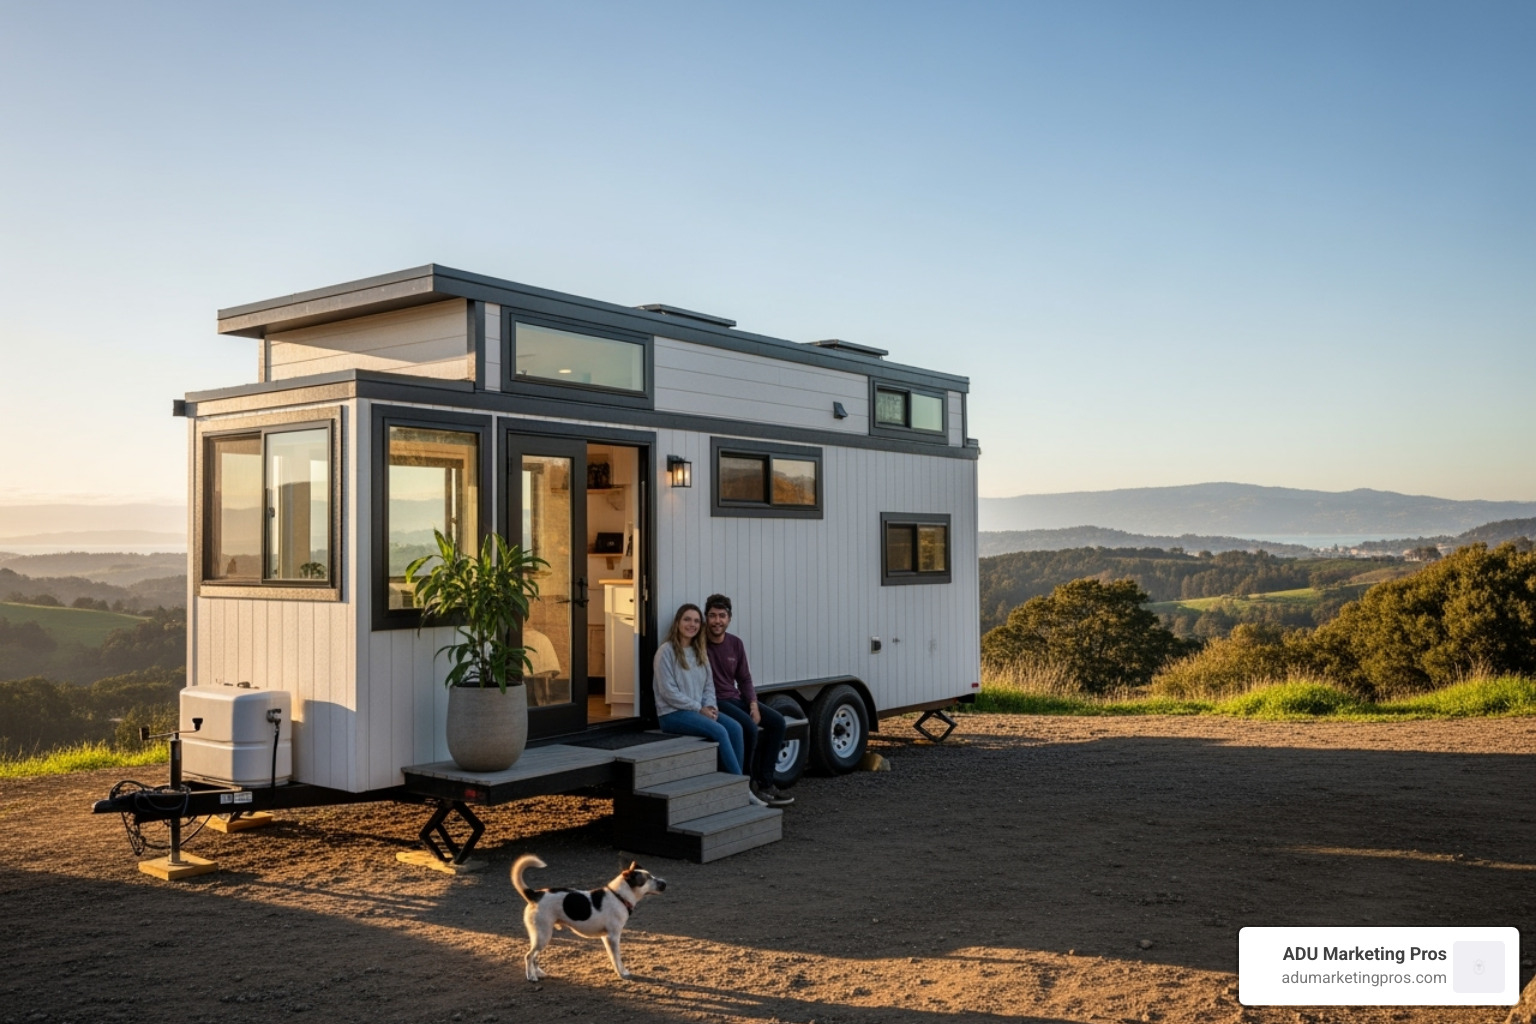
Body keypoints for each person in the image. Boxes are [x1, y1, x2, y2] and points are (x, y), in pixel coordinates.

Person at [653, 603, 757, 799]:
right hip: (673, 714)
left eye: (696, 621)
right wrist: (699, 708)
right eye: (687, 620)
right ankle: (741, 791)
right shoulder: (665, 652)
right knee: (719, 730)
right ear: (677, 622)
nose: (691, 624)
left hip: (698, 710)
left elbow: (709, 686)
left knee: (735, 728)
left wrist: (711, 706)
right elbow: (668, 693)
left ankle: (739, 782)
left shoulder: (699, 651)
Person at [704, 593, 793, 808]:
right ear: (706, 618)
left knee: (778, 722)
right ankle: (745, 784)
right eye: (713, 616)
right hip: (716, 701)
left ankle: (766, 783)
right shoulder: (699, 643)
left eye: (722, 616)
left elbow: (744, 678)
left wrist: (753, 703)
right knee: (748, 729)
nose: (717, 621)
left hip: (736, 698)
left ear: (729, 618)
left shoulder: (735, 643)